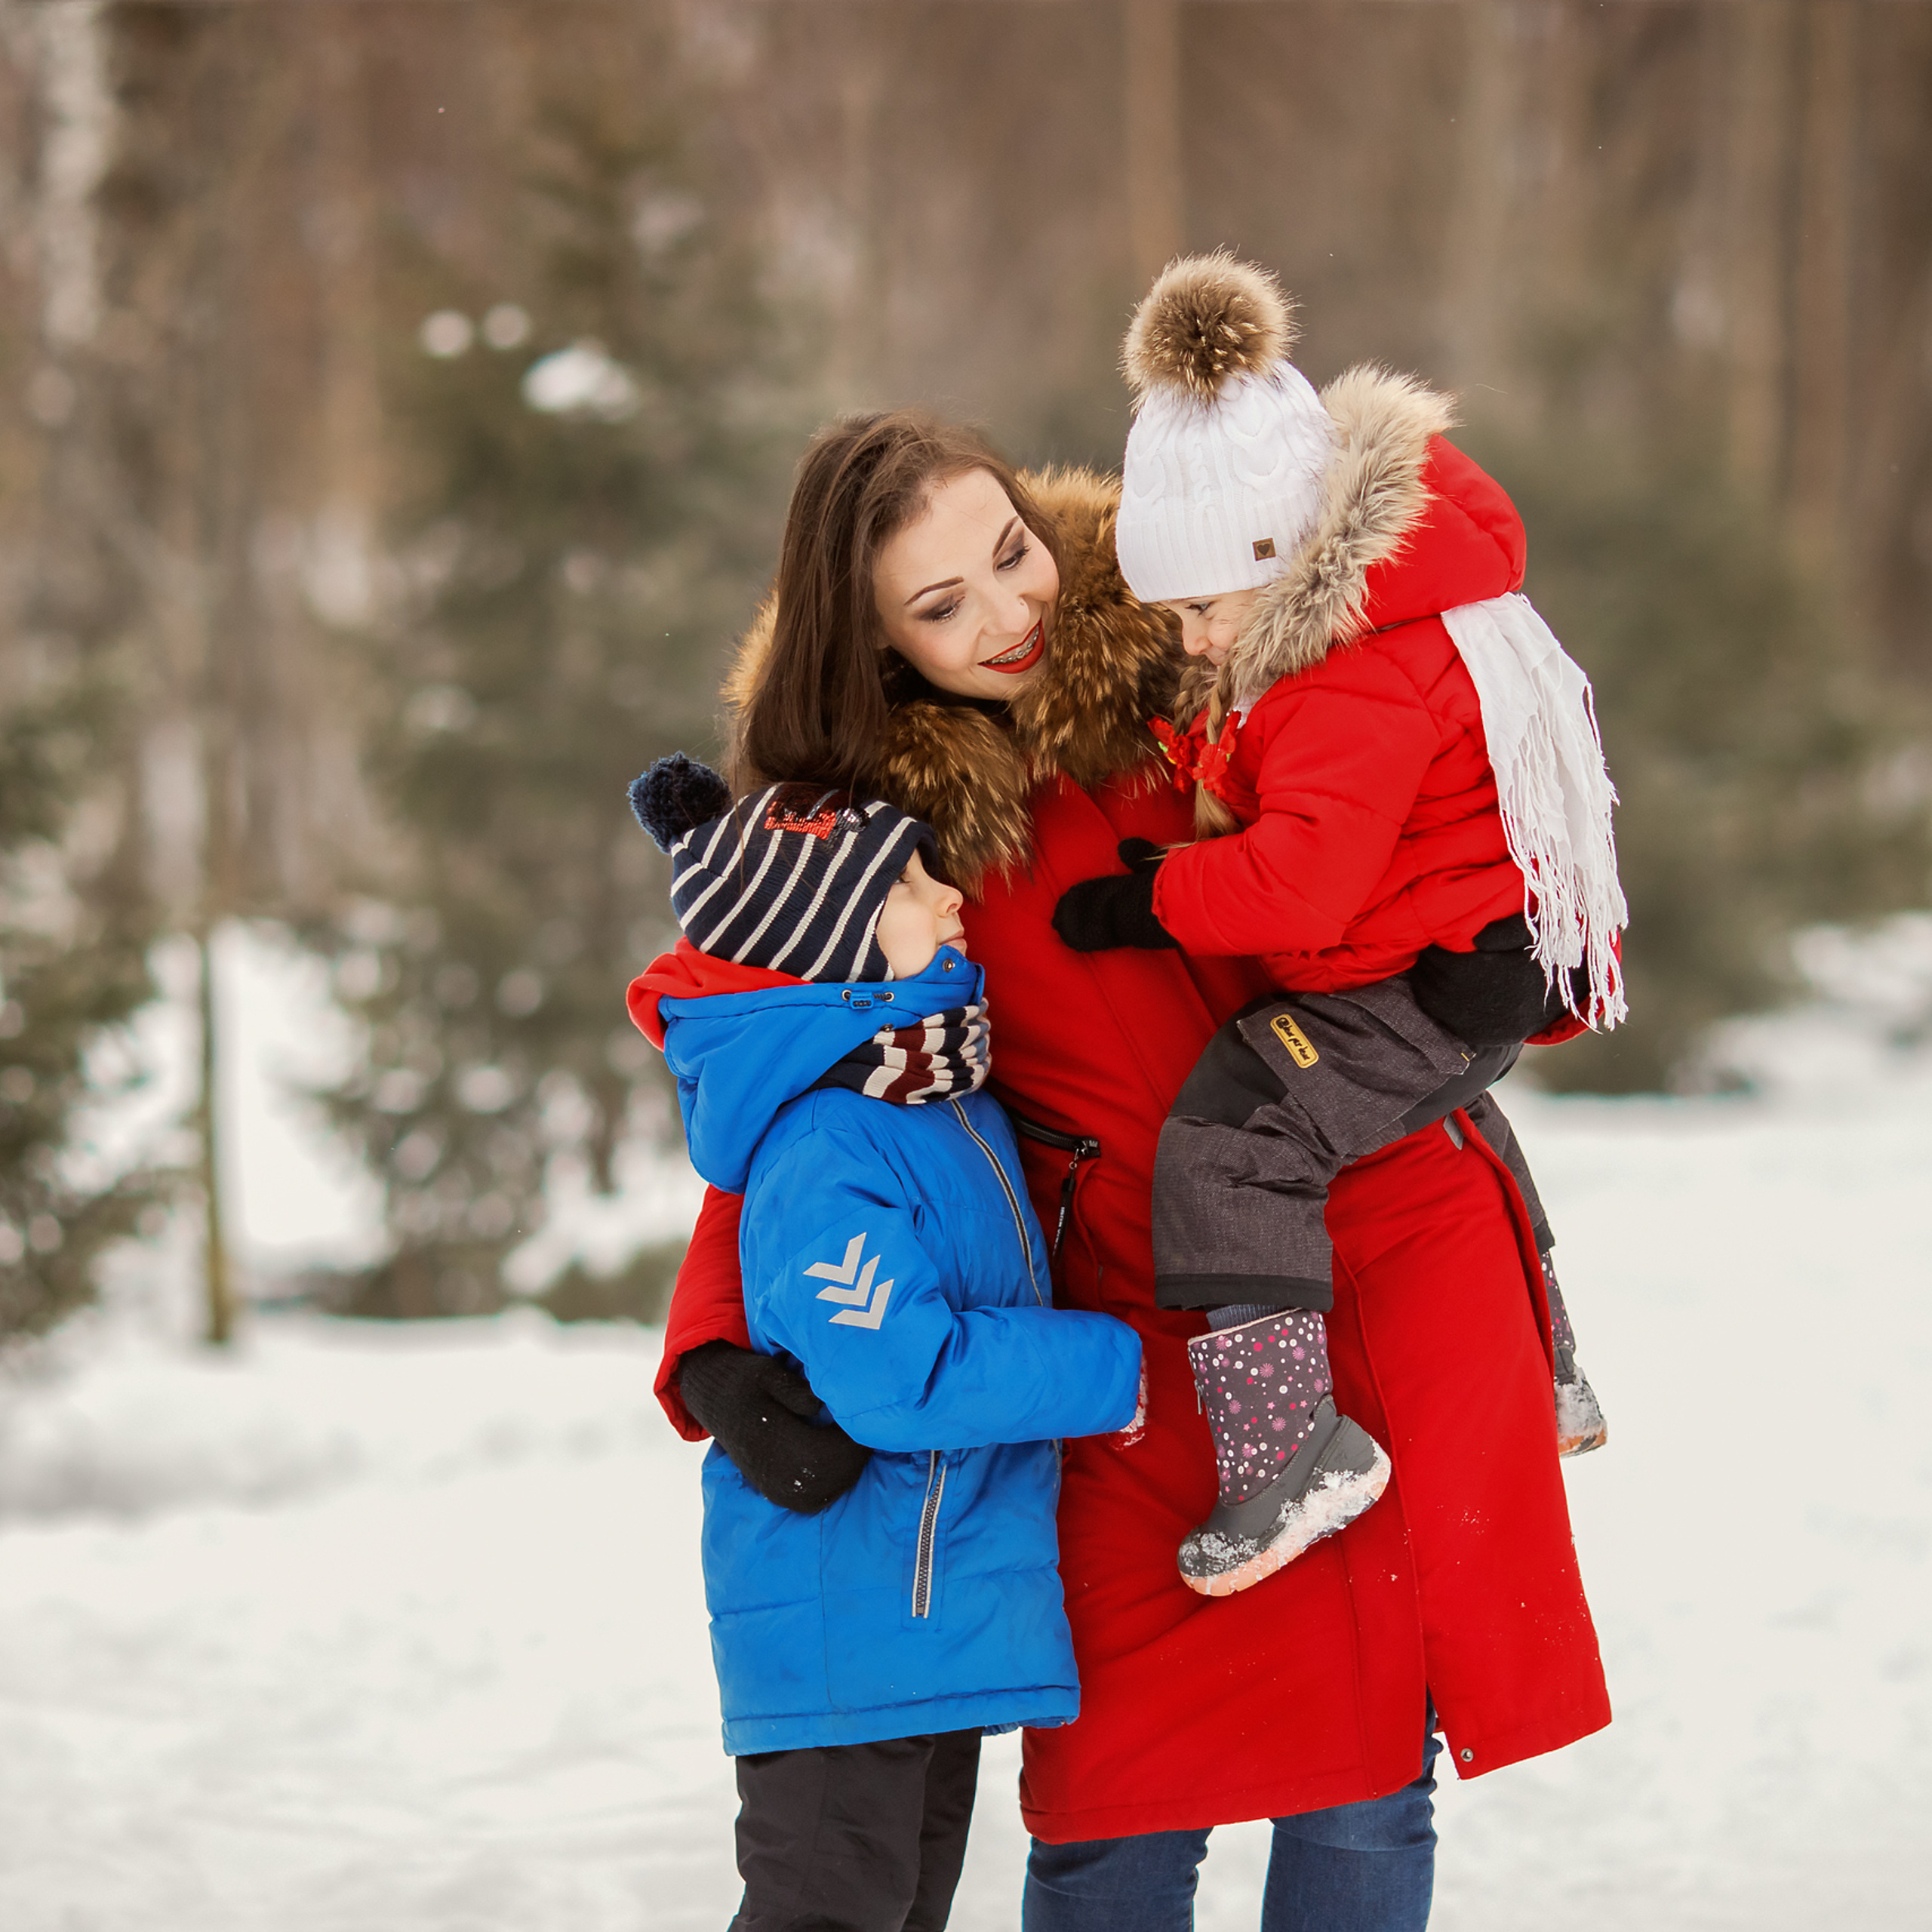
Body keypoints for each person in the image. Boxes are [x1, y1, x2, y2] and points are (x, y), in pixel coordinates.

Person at [642, 403, 1611, 1931]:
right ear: (872, 641)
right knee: (1112, 1807)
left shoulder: (1219, 642)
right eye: (940, 605)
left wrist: (1512, 966)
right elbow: (786, 1075)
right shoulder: (865, 841)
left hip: (1368, 1257)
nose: (1007, 612)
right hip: (1117, 1327)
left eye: (1010, 552)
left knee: (1369, 1777)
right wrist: (713, 1340)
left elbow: (1455, 825)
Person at [1048, 253, 1617, 1595]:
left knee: (1233, 1142)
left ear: (1281, 559)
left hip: (1416, 975)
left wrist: (1150, 900)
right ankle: (1552, 1362)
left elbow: (1299, 883)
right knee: (1433, 1107)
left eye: (1201, 609)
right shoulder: (1370, 628)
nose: (1193, 641)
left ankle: (1289, 1451)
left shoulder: (1339, 685)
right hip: (1454, 960)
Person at [627, 751, 1143, 1932]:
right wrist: (1114, 1367)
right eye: (911, 883)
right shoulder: (831, 1140)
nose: (952, 894)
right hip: (847, 1628)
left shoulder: (940, 1101)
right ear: (836, 943)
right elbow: (901, 1379)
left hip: (920, 1628)